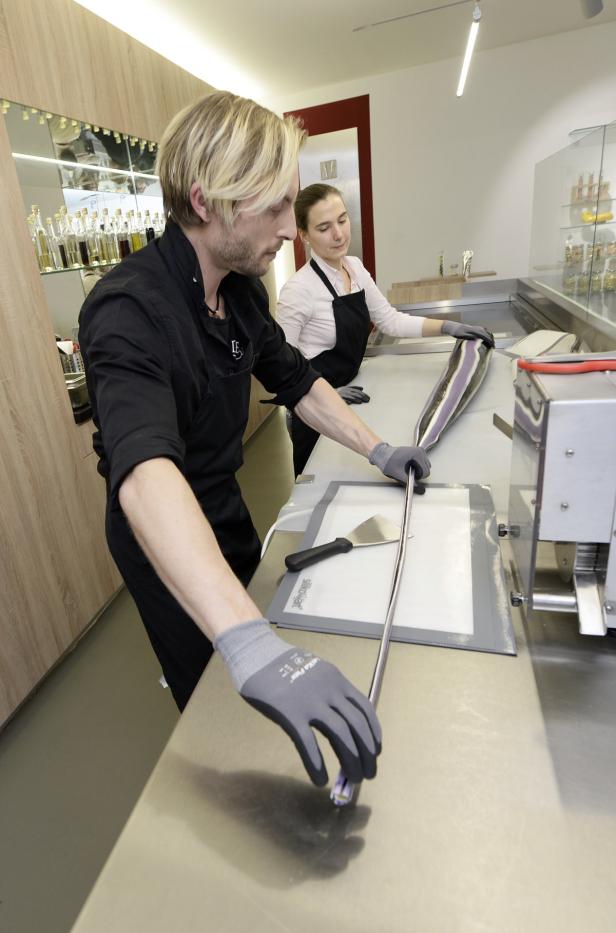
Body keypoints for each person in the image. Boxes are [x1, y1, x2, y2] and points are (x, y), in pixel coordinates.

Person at [78, 91, 432, 790]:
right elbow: (146, 471)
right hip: (162, 527)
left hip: (223, 500)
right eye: (274, 209)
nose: (288, 230)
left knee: (255, 625)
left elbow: (297, 379)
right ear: (208, 201)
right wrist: (244, 641)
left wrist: (377, 447)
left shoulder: (240, 289)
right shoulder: (127, 309)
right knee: (216, 689)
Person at [277, 183, 494, 475]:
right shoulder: (298, 290)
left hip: (353, 395)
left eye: (342, 220)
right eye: (324, 227)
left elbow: (391, 320)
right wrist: (323, 391)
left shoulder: (354, 268)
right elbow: (281, 366)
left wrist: (449, 327)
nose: (339, 234)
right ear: (303, 234)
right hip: (314, 410)